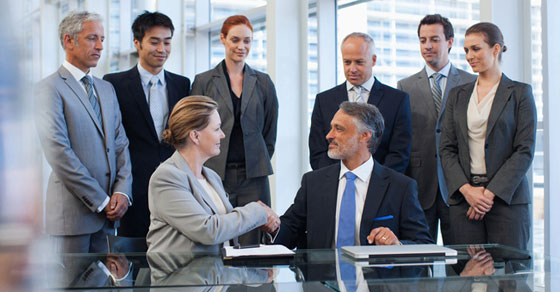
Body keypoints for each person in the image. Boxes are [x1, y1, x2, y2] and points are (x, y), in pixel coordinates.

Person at [34, 11, 132, 253]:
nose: (99, 46)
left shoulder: (106, 89)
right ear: (69, 41)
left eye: (102, 39)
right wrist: (101, 200)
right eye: (92, 38)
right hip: (72, 219)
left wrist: (122, 191)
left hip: (109, 219)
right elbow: (59, 153)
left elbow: (121, 144)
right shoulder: (48, 89)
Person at [274, 102, 433, 249]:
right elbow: (290, 231)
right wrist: (272, 225)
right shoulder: (313, 182)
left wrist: (396, 244)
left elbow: (423, 243)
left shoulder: (400, 186)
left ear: (365, 135)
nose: (329, 135)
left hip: (375, 278)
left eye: (339, 129)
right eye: (331, 128)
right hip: (322, 277)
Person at [439, 22, 537, 250]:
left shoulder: (521, 93)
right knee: (467, 276)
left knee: (510, 279)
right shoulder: (457, 95)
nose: (469, 56)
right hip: (465, 200)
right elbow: (446, 148)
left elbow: (524, 150)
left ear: (495, 49)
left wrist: (488, 195)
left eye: (476, 49)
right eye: (465, 51)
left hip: (506, 200)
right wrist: (467, 190)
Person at [146, 96, 279, 253]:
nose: (222, 135)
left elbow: (227, 232)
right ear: (195, 136)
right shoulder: (166, 177)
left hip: (220, 273)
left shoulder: (212, 176)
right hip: (181, 276)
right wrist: (257, 211)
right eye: (216, 129)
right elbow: (208, 231)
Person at [190, 15, 278, 245]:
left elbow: (269, 132)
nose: (242, 47)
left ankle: (253, 282)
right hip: (214, 172)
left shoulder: (263, 82)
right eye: (235, 40)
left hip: (254, 175)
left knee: (253, 241)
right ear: (223, 39)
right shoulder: (204, 81)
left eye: (247, 41)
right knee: (216, 236)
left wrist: (259, 159)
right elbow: (194, 128)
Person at [103, 11, 190, 238]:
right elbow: (110, 139)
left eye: (167, 42)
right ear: (137, 43)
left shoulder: (182, 85)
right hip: (132, 187)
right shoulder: (114, 84)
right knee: (131, 259)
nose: (162, 49)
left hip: (173, 186)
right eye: (154, 42)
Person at [397, 14, 476, 244]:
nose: (427, 46)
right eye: (422, 40)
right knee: (419, 259)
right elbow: (403, 137)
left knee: (462, 258)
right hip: (420, 185)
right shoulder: (405, 86)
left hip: (459, 186)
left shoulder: (470, 83)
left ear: (450, 42)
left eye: (434, 39)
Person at [309, 32, 411, 173]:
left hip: (381, 186)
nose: (352, 69)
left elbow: (399, 153)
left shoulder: (397, 100)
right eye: (347, 62)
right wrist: (337, 180)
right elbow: (317, 151)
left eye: (359, 62)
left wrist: (375, 181)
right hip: (336, 185)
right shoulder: (324, 100)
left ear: (373, 60)